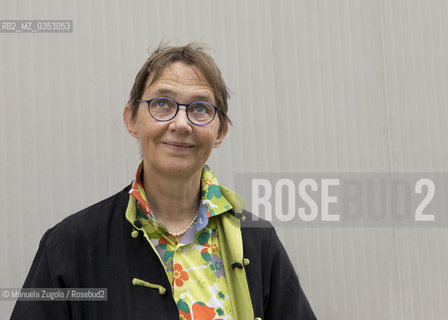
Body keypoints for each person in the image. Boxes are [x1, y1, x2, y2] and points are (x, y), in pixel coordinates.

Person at [11, 43, 316, 319]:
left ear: (220, 131)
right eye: (162, 104)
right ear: (132, 119)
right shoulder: (69, 245)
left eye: (200, 108)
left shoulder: (257, 242)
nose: (181, 124)